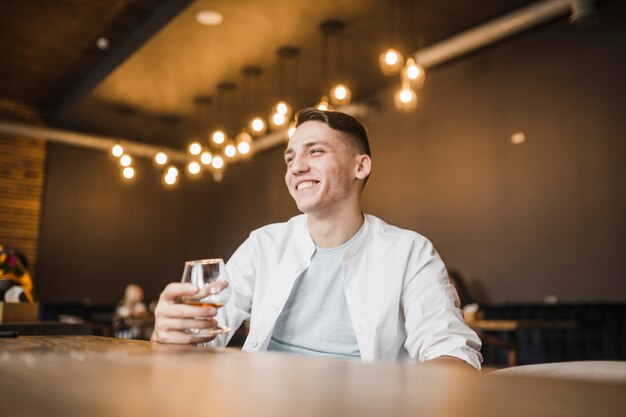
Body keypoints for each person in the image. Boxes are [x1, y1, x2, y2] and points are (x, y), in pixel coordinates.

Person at [152, 108, 482, 369]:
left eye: (315, 151)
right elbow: (202, 337)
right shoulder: (263, 245)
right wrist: (171, 332)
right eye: (291, 158)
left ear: (361, 166)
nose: (296, 167)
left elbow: (452, 355)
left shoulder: (410, 252)